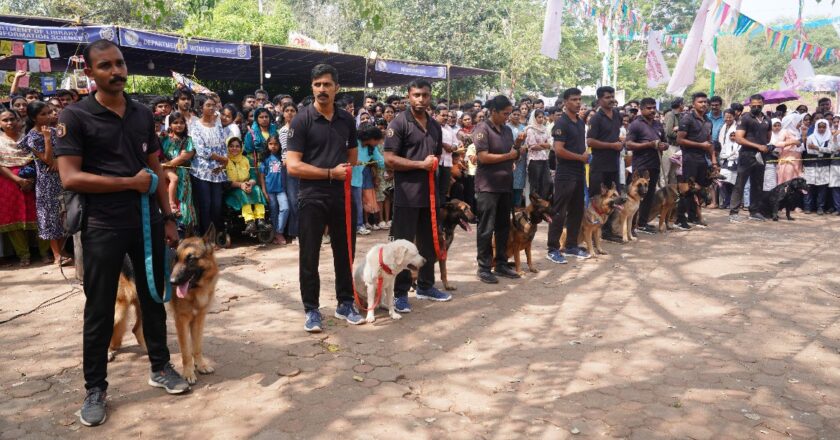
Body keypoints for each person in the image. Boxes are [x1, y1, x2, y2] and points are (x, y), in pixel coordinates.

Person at [54, 39, 189, 427]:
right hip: (100, 226)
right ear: (90, 72)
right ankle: (95, 388)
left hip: (145, 223)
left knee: (152, 299)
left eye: (120, 63)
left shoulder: (143, 114)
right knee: (99, 309)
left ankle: (160, 367)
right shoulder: (76, 117)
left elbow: (157, 169)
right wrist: (127, 183)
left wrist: (167, 217)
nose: (116, 71)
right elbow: (70, 176)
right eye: (106, 66)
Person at [286, 64, 363, 332]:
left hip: (342, 196)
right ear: (312, 87)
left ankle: (345, 303)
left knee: (345, 251)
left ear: (336, 88)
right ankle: (312, 310)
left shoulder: (347, 120)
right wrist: (330, 172)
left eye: (327, 84)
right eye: (317, 84)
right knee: (309, 255)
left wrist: (340, 173)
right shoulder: (301, 120)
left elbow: (353, 157)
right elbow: (293, 166)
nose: (322, 89)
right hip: (311, 196)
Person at [383, 79, 452, 307]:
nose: (421, 99)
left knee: (429, 241)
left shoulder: (434, 125)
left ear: (430, 96)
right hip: (407, 194)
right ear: (408, 96)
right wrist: (419, 165)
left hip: (431, 194)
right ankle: (400, 293)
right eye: (416, 95)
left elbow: (438, 156)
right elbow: (389, 159)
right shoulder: (399, 123)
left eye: (425, 95)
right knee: (401, 245)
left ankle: (425, 285)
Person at [471, 95, 524, 283]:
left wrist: (517, 148)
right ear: (493, 111)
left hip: (505, 185)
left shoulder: (507, 131)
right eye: (505, 113)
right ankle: (484, 267)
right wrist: (508, 155)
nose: (507, 117)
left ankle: (501, 262)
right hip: (487, 186)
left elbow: (512, 156)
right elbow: (483, 157)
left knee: (503, 227)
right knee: (486, 228)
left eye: (510, 113)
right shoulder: (482, 129)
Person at [19, 101, 67, 266]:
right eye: (43, 114)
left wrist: (58, 161)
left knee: (64, 215)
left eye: (49, 112)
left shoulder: (56, 131)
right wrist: (47, 139)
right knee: (50, 217)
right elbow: (46, 159)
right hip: (46, 182)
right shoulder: (32, 137)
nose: (48, 116)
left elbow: (66, 151)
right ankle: (57, 256)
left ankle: (63, 250)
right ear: (33, 117)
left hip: (62, 177)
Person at [546, 88, 591, 264]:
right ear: (565, 102)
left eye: (579, 99)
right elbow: (558, 150)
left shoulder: (580, 122)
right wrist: (580, 157)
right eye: (574, 99)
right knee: (559, 211)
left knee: (577, 209)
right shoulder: (561, 124)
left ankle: (571, 245)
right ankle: (552, 248)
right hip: (565, 173)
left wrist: (584, 156)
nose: (578, 102)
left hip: (580, 171)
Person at [0, 108, 43, 265]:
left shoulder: (27, 138)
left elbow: (36, 159)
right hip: (7, 181)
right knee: (13, 217)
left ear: (18, 120)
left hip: (32, 179)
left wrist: (30, 179)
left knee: (39, 216)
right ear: (0, 123)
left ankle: (44, 252)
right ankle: (23, 255)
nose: (10, 123)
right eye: (5, 120)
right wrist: (18, 180)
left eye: (12, 119)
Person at [586, 86, 624, 241]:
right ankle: (593, 231)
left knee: (614, 197)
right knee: (597, 198)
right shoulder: (596, 118)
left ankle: (609, 231)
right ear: (600, 100)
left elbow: (616, 135)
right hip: (600, 164)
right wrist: (611, 145)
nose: (611, 99)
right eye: (607, 97)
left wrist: (621, 142)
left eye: (612, 96)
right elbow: (590, 141)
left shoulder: (617, 115)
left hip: (614, 163)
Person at [626, 97, 667, 234]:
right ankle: (631, 226)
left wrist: (663, 146)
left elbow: (665, 142)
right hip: (641, 165)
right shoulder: (635, 124)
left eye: (654, 108)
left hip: (655, 164)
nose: (652, 110)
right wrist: (648, 145)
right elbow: (629, 144)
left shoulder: (658, 124)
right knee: (637, 195)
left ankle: (643, 224)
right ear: (641, 109)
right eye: (649, 108)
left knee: (649, 194)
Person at [189, 94, 228, 236]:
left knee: (217, 205)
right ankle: (206, 236)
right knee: (205, 205)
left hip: (218, 171)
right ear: (201, 108)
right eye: (208, 105)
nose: (212, 108)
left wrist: (224, 162)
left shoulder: (218, 126)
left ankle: (215, 234)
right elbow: (201, 150)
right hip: (202, 171)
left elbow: (224, 146)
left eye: (214, 105)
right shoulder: (195, 126)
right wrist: (221, 159)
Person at [730, 94, 772, 223]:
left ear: (763, 104)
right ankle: (734, 212)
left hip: (761, 156)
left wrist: (763, 147)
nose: (756, 107)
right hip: (746, 155)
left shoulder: (767, 119)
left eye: (759, 105)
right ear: (749, 105)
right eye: (754, 105)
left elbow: (768, 138)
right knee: (740, 183)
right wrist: (757, 145)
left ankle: (754, 211)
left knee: (758, 184)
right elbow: (738, 138)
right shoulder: (745, 118)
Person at [676, 92, 715, 229]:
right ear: (693, 104)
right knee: (687, 189)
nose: (703, 104)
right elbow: (679, 140)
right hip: (689, 158)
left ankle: (693, 217)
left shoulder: (708, 121)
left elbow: (710, 142)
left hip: (703, 159)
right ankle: (680, 218)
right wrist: (700, 145)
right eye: (700, 102)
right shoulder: (687, 119)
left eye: (705, 102)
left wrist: (714, 161)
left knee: (699, 190)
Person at [161, 111, 196, 231]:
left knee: (183, 199)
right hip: (165, 175)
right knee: (168, 202)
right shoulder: (164, 139)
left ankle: (183, 229)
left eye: (182, 123)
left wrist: (164, 165)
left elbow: (183, 157)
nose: (179, 125)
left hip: (182, 175)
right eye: (175, 123)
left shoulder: (188, 140)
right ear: (170, 125)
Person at [225, 136, 268, 233]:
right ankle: (250, 222)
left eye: (237, 146)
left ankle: (260, 220)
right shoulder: (224, 161)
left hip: (248, 186)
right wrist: (241, 185)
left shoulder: (247, 160)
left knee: (257, 189)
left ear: (241, 148)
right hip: (233, 190)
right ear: (227, 147)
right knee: (243, 193)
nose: (234, 148)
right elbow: (225, 181)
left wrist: (250, 183)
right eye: (231, 146)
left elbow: (253, 177)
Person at [354, 125, 385, 232]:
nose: (378, 143)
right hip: (344, 177)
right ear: (371, 138)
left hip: (357, 179)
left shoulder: (372, 148)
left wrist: (393, 163)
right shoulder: (354, 141)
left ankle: (358, 225)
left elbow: (381, 161)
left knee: (358, 203)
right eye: (377, 140)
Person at [260, 135, 289, 245]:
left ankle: (279, 232)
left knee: (285, 208)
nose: (273, 146)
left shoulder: (282, 158)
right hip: (270, 190)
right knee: (274, 212)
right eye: (270, 144)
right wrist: (264, 190)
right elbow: (262, 176)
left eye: (276, 144)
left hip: (281, 189)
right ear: (267, 145)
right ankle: (276, 235)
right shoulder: (265, 159)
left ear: (279, 145)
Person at [278, 102, 299, 243]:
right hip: (288, 166)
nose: (290, 113)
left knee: (300, 200)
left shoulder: (301, 128)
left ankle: (298, 232)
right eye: (287, 110)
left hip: (301, 165)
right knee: (292, 201)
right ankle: (294, 233)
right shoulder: (282, 131)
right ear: (283, 113)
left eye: (292, 110)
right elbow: (285, 150)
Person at [804, 120, 832, 215]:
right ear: (816, 127)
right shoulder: (810, 137)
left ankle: (820, 208)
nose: (821, 129)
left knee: (822, 187)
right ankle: (807, 207)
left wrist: (817, 148)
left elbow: (831, 150)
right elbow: (809, 151)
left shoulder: (830, 138)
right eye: (819, 127)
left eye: (824, 127)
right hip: (811, 165)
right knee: (809, 187)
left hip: (823, 165)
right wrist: (823, 151)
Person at [525, 109, 552, 199]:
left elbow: (550, 143)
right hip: (534, 160)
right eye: (539, 117)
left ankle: (542, 204)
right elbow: (532, 146)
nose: (541, 119)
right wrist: (545, 145)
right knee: (535, 184)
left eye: (543, 117)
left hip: (544, 158)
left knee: (547, 182)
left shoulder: (544, 129)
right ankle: (534, 207)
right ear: (534, 118)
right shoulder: (530, 129)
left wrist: (542, 145)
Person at [717, 110, 740, 209]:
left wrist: (729, 155)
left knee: (733, 183)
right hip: (724, 161)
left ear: (734, 117)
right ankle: (725, 201)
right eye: (726, 117)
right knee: (722, 182)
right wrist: (726, 155)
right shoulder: (723, 127)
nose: (728, 119)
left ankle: (731, 202)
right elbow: (722, 152)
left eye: (730, 117)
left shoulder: (737, 128)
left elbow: (737, 152)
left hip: (735, 162)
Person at [776, 112, 805, 185]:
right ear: (793, 122)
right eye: (799, 122)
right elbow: (777, 144)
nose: (801, 124)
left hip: (797, 161)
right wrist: (792, 142)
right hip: (787, 161)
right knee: (788, 181)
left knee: (796, 181)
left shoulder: (797, 132)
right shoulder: (784, 131)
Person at [508, 108, 528, 207]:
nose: (516, 116)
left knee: (519, 185)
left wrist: (524, 147)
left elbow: (527, 143)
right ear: (510, 115)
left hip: (521, 160)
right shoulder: (506, 128)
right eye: (514, 114)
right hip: (509, 159)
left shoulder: (524, 128)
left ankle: (517, 208)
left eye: (518, 114)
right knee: (509, 184)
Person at [662, 98, 684, 186]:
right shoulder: (670, 115)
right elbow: (669, 132)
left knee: (674, 174)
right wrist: (680, 135)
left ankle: (672, 196)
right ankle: (661, 195)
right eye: (683, 104)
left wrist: (678, 129)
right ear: (680, 105)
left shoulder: (680, 116)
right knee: (665, 173)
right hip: (669, 147)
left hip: (677, 147)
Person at [435, 105, 455, 201]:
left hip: (447, 162)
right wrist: (443, 145)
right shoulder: (432, 126)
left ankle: (441, 212)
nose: (446, 118)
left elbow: (456, 142)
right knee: (435, 189)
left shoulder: (449, 128)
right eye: (443, 115)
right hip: (436, 162)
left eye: (447, 116)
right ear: (436, 115)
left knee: (444, 189)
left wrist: (452, 147)